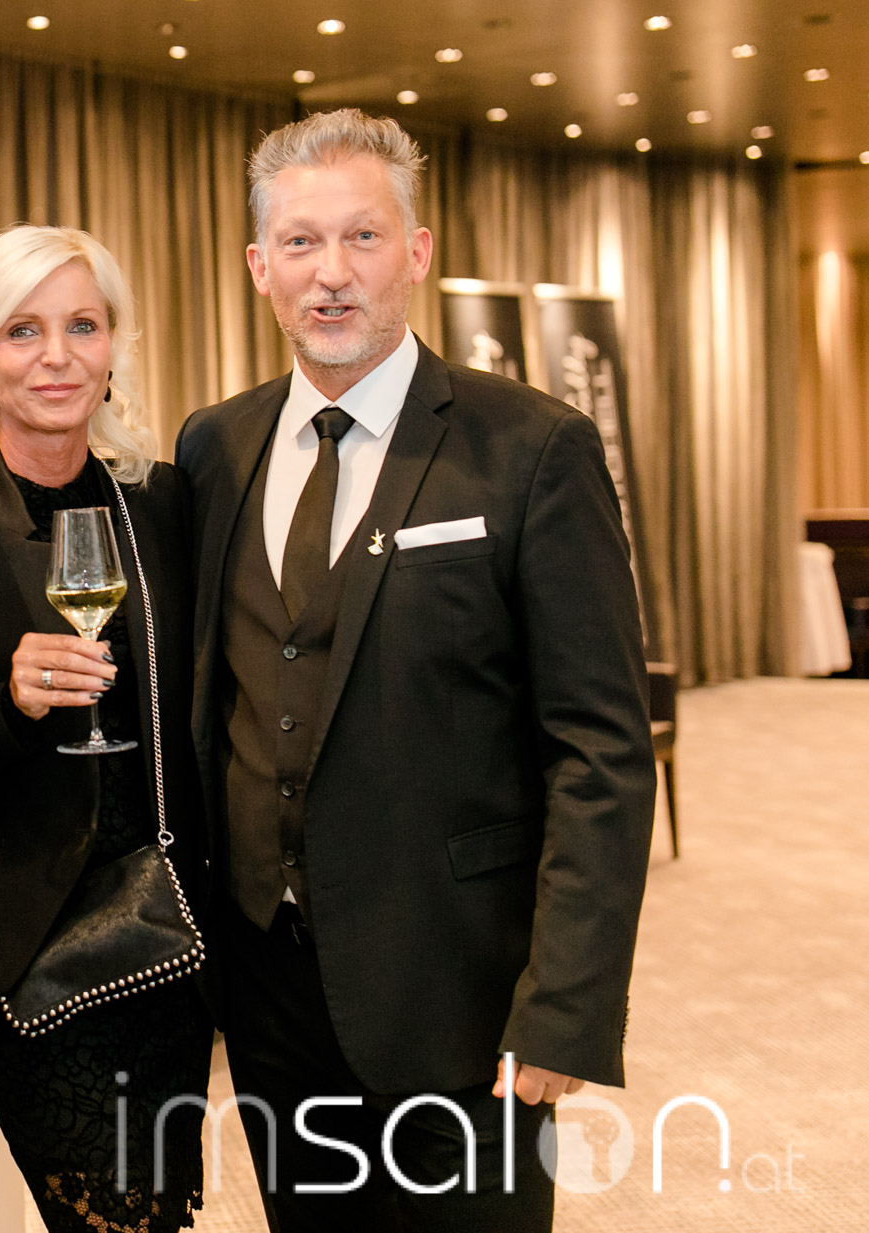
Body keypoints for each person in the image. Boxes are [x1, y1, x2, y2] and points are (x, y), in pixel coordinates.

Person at [177, 109, 654, 1230]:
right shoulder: (214, 448)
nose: (331, 273)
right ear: (258, 266)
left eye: (363, 237)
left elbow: (599, 747)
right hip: (268, 994)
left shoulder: (532, 447)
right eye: (300, 243)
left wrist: (565, 1004)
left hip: (462, 994)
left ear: (417, 251)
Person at [0, 226, 215, 1233]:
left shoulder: (162, 503)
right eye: (22, 330)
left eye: (82, 325)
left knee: (158, 1211)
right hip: (32, 954)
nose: (56, 356)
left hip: (165, 933)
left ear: (113, 345)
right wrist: (11, 705)